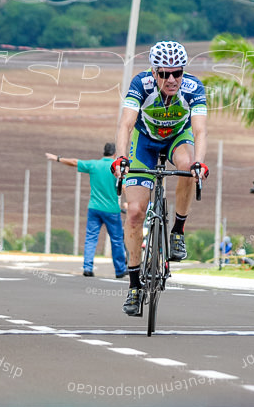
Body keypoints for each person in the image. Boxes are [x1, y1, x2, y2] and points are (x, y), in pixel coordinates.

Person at [112, 41, 208, 316]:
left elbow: (199, 131)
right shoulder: (141, 84)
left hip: (177, 139)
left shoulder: (192, 88)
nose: (171, 79)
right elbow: (126, 124)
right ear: (154, 72)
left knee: (189, 166)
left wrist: (200, 163)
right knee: (134, 213)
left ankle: (177, 230)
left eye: (177, 73)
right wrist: (120, 157)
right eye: (164, 73)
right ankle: (133, 286)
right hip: (144, 143)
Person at [46, 143, 126, 278]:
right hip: (112, 209)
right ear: (114, 154)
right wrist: (129, 202)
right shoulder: (116, 168)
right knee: (117, 240)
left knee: (91, 238)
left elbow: (74, 162)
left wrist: (57, 158)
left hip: (94, 208)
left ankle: (88, 267)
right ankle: (120, 270)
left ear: (104, 152)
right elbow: (124, 187)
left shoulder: (94, 165)